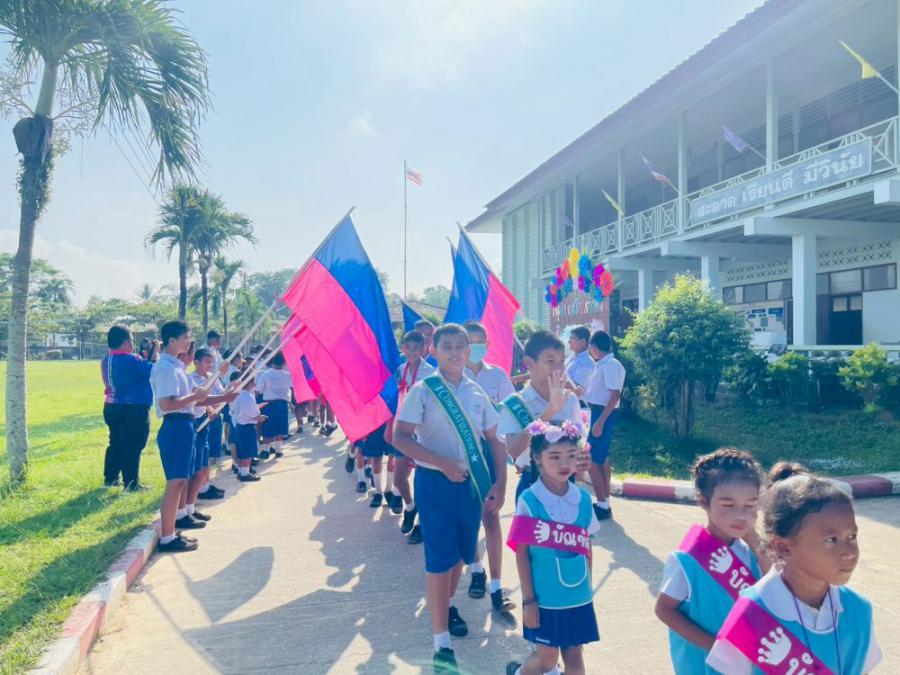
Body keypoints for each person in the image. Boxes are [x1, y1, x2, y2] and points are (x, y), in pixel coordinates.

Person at [393, 323, 507, 673]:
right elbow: (400, 437)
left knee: (460, 556)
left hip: (470, 487)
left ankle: (444, 605)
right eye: (447, 347)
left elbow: (495, 440)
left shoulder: (477, 393)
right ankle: (441, 641)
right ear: (434, 351)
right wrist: (441, 464)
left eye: (461, 346)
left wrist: (501, 484)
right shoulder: (423, 391)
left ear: (469, 351)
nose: (455, 352)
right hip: (434, 485)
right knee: (439, 559)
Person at [707, 463, 882, 674]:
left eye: (852, 536)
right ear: (782, 546)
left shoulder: (858, 610)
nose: (849, 552)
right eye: (831, 540)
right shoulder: (751, 615)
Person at [655, 449, 770, 674]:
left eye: (750, 505)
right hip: (703, 665)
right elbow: (664, 610)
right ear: (703, 501)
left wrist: (754, 538)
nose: (740, 515)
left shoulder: (752, 553)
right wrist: (714, 646)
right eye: (728, 505)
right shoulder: (687, 559)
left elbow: (776, 587)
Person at [505, 419, 600, 675]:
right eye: (554, 457)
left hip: (577, 596)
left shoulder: (582, 499)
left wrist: (587, 590)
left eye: (571, 455)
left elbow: (586, 547)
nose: (564, 463)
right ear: (538, 458)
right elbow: (522, 554)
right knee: (546, 658)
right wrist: (528, 601)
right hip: (545, 599)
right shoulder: (530, 500)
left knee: (575, 657)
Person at [150, 321, 226, 553]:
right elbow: (167, 403)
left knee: (181, 480)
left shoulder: (176, 365)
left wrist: (222, 394)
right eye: (185, 337)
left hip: (185, 424)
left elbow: (196, 398)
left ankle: (173, 529)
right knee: (175, 482)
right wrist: (196, 396)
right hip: (175, 425)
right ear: (171, 340)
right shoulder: (166, 367)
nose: (188, 341)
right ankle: (167, 538)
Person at [462, 320, 515, 610]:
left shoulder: (498, 376)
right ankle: (476, 571)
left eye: (480, 341)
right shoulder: (449, 379)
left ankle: (496, 586)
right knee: (469, 520)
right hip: (462, 457)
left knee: (491, 517)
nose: (476, 346)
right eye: (470, 341)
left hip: (492, 454)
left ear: (488, 344)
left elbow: (513, 414)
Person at [498, 331, 583, 502]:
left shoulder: (570, 399)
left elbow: (578, 445)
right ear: (529, 363)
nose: (558, 369)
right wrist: (550, 411)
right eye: (550, 361)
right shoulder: (515, 403)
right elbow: (513, 450)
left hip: (566, 484)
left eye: (561, 362)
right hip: (531, 481)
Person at [392, 329, 435, 541]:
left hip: (423, 432)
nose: (412, 352)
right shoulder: (400, 370)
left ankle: (420, 524)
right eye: (408, 347)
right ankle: (410, 508)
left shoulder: (431, 373)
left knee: (421, 480)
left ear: (423, 349)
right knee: (399, 479)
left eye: (416, 348)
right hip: (403, 430)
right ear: (403, 348)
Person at [101, 326, 156, 491]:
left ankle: (110, 478)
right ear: (125, 342)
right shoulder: (132, 360)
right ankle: (131, 483)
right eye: (132, 340)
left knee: (116, 442)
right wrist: (154, 356)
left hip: (111, 406)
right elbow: (154, 372)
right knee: (133, 445)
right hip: (133, 408)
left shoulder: (107, 359)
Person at [582, 330, 625, 521]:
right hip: (598, 412)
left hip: (603, 413)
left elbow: (614, 395)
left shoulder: (610, 365)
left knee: (592, 460)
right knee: (601, 459)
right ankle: (604, 502)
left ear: (593, 347)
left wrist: (600, 421)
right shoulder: (603, 364)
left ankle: (602, 505)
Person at [188, 348, 234, 508]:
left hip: (210, 419)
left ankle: (205, 485)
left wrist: (233, 386)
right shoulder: (191, 378)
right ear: (196, 362)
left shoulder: (212, 377)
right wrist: (210, 408)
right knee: (199, 456)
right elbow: (199, 398)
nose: (210, 365)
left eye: (212, 362)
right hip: (197, 420)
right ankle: (198, 489)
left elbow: (221, 395)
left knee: (208, 454)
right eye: (207, 362)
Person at [230, 371, 266, 482]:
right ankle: (245, 474)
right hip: (247, 427)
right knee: (247, 451)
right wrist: (261, 417)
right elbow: (254, 414)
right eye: (253, 381)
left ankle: (241, 471)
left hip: (239, 426)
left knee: (241, 450)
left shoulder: (237, 394)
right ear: (249, 382)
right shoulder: (248, 396)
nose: (254, 383)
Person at [256, 351, 293, 459]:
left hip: (269, 404)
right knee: (280, 428)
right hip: (282, 404)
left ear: (272, 361)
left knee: (268, 428)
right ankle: (278, 451)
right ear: (284, 362)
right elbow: (292, 386)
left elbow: (258, 390)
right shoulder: (288, 375)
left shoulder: (266, 374)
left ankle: (266, 451)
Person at [564, 326, 593, 406]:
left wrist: (558, 378)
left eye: (572, 338)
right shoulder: (571, 356)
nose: (569, 341)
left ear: (583, 342)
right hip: (565, 403)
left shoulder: (587, 362)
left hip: (577, 405)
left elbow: (577, 390)